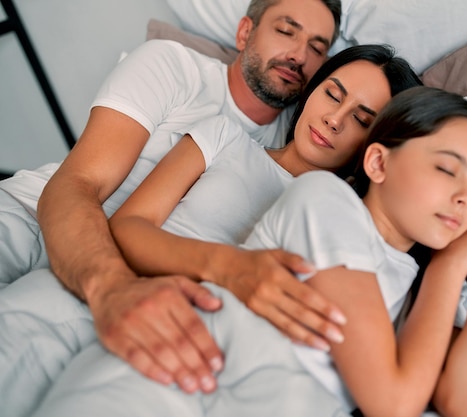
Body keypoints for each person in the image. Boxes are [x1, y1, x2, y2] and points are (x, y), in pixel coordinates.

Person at [30, 86, 467, 417]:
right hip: (159, 391)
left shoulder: (411, 288)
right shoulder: (327, 203)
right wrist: (450, 271)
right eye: (448, 170)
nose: (464, 197)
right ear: (377, 161)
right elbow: (392, 402)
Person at [0, 44, 423, 417]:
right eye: (333, 94)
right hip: (87, 295)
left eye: (361, 119)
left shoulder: (345, 222)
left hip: (181, 352)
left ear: (377, 150)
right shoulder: (224, 137)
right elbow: (128, 226)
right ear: (312, 91)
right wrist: (228, 267)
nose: (334, 119)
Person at [0, 0, 347, 387]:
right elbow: (77, 184)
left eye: (317, 48)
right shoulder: (175, 66)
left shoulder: (303, 142)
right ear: (245, 32)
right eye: (286, 30)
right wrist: (113, 288)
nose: (299, 55)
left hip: (135, 280)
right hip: (32, 222)